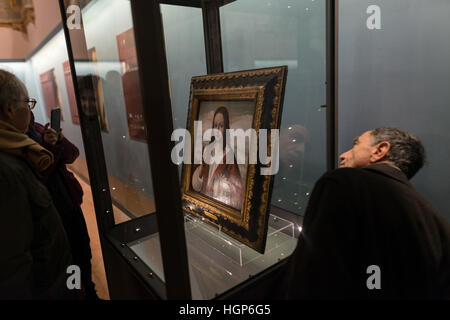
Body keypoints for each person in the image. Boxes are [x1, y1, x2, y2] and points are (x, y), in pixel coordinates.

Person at [280, 127, 450, 299]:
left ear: (379, 150)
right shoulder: (441, 228)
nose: (343, 155)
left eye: (355, 145)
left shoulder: (344, 182)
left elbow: (311, 277)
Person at [0, 70, 72, 299]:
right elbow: (13, 264)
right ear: (10, 109)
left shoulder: (17, 149)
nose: (29, 109)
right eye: (27, 102)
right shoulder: (6, 171)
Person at [27, 112, 99, 300]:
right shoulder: (14, 142)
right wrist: (50, 146)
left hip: (69, 202)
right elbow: (38, 176)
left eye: (29, 103)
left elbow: (73, 154)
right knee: (65, 261)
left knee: (83, 250)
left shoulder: (39, 128)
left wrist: (59, 141)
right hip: (49, 214)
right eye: (24, 102)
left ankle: (90, 293)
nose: (28, 108)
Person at [191, 106, 243, 210]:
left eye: (221, 125)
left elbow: (238, 193)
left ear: (226, 128)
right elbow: (194, 187)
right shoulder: (206, 150)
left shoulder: (229, 157)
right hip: (202, 205)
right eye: (215, 125)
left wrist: (225, 186)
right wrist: (202, 166)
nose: (217, 129)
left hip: (218, 208)